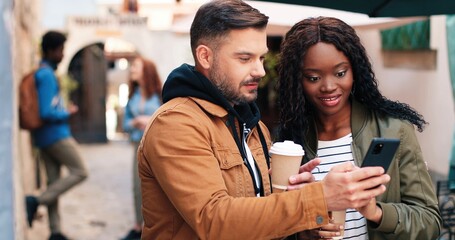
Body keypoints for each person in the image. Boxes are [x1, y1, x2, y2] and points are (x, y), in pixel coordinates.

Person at [137, 1, 390, 239]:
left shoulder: (253, 125)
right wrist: (319, 197)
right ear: (205, 57)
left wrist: (293, 198)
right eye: (245, 58)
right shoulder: (176, 123)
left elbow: (257, 218)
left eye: (260, 58)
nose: (260, 71)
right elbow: (214, 221)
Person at [276, 16, 442, 239]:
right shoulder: (289, 142)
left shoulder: (394, 129)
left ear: (355, 71)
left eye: (340, 73)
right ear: (297, 80)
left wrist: (376, 212)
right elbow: (275, 222)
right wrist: (305, 229)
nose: (329, 86)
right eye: (313, 77)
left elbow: (430, 223)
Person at [25, 31, 88, 240]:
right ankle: (36, 201)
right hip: (55, 136)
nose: (62, 55)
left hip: (43, 138)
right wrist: (66, 112)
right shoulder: (46, 75)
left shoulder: (43, 72)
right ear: (51, 50)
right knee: (80, 171)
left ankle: (55, 232)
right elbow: (46, 112)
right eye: (60, 50)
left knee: (54, 182)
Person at [121, 56, 162, 240]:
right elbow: (125, 124)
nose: (132, 70)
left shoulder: (161, 94)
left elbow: (168, 118)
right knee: (137, 187)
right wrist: (136, 121)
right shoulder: (133, 95)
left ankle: (156, 228)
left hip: (158, 145)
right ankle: (138, 227)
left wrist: (149, 120)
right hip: (138, 145)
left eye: (135, 67)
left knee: (158, 187)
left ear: (146, 70)